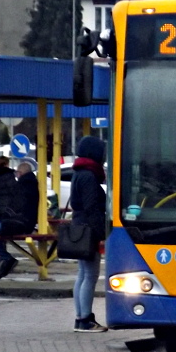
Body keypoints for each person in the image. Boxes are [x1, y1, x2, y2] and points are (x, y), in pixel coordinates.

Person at [70, 136, 108, 333]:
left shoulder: (79, 173)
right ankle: (86, 319)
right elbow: (92, 206)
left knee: (82, 274)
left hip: (79, 227)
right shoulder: (88, 176)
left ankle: (80, 317)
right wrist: (101, 233)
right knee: (90, 275)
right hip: (88, 229)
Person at [0, 160, 39, 280]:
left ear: (21, 172)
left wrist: (6, 215)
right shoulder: (31, 184)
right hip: (23, 221)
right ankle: (3, 259)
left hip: (16, 222)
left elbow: (16, 205)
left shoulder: (22, 186)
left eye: (17, 172)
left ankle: (6, 257)